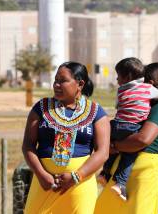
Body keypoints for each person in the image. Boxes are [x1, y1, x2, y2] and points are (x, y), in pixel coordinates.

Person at [22, 61, 110, 214]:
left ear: (80, 84)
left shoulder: (96, 112)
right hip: (44, 185)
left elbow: (102, 152)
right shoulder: (41, 108)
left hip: (79, 187)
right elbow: (28, 146)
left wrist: (76, 176)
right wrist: (42, 175)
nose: (56, 85)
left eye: (62, 81)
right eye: (55, 80)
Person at [94, 62, 158, 214]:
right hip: (125, 174)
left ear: (150, 84)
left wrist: (113, 147)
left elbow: (142, 140)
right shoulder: (142, 107)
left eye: (140, 82)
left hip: (145, 175)